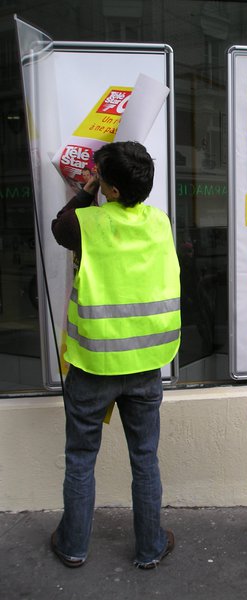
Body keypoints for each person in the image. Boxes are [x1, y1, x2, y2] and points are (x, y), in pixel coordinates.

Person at [50, 141, 181, 569]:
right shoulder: (161, 223)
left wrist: (86, 190)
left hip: (93, 366)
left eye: (102, 176)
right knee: (145, 458)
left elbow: (59, 225)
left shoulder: (85, 225)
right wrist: (102, 183)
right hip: (145, 365)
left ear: (113, 189)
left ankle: (73, 546)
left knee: (80, 458)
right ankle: (149, 549)